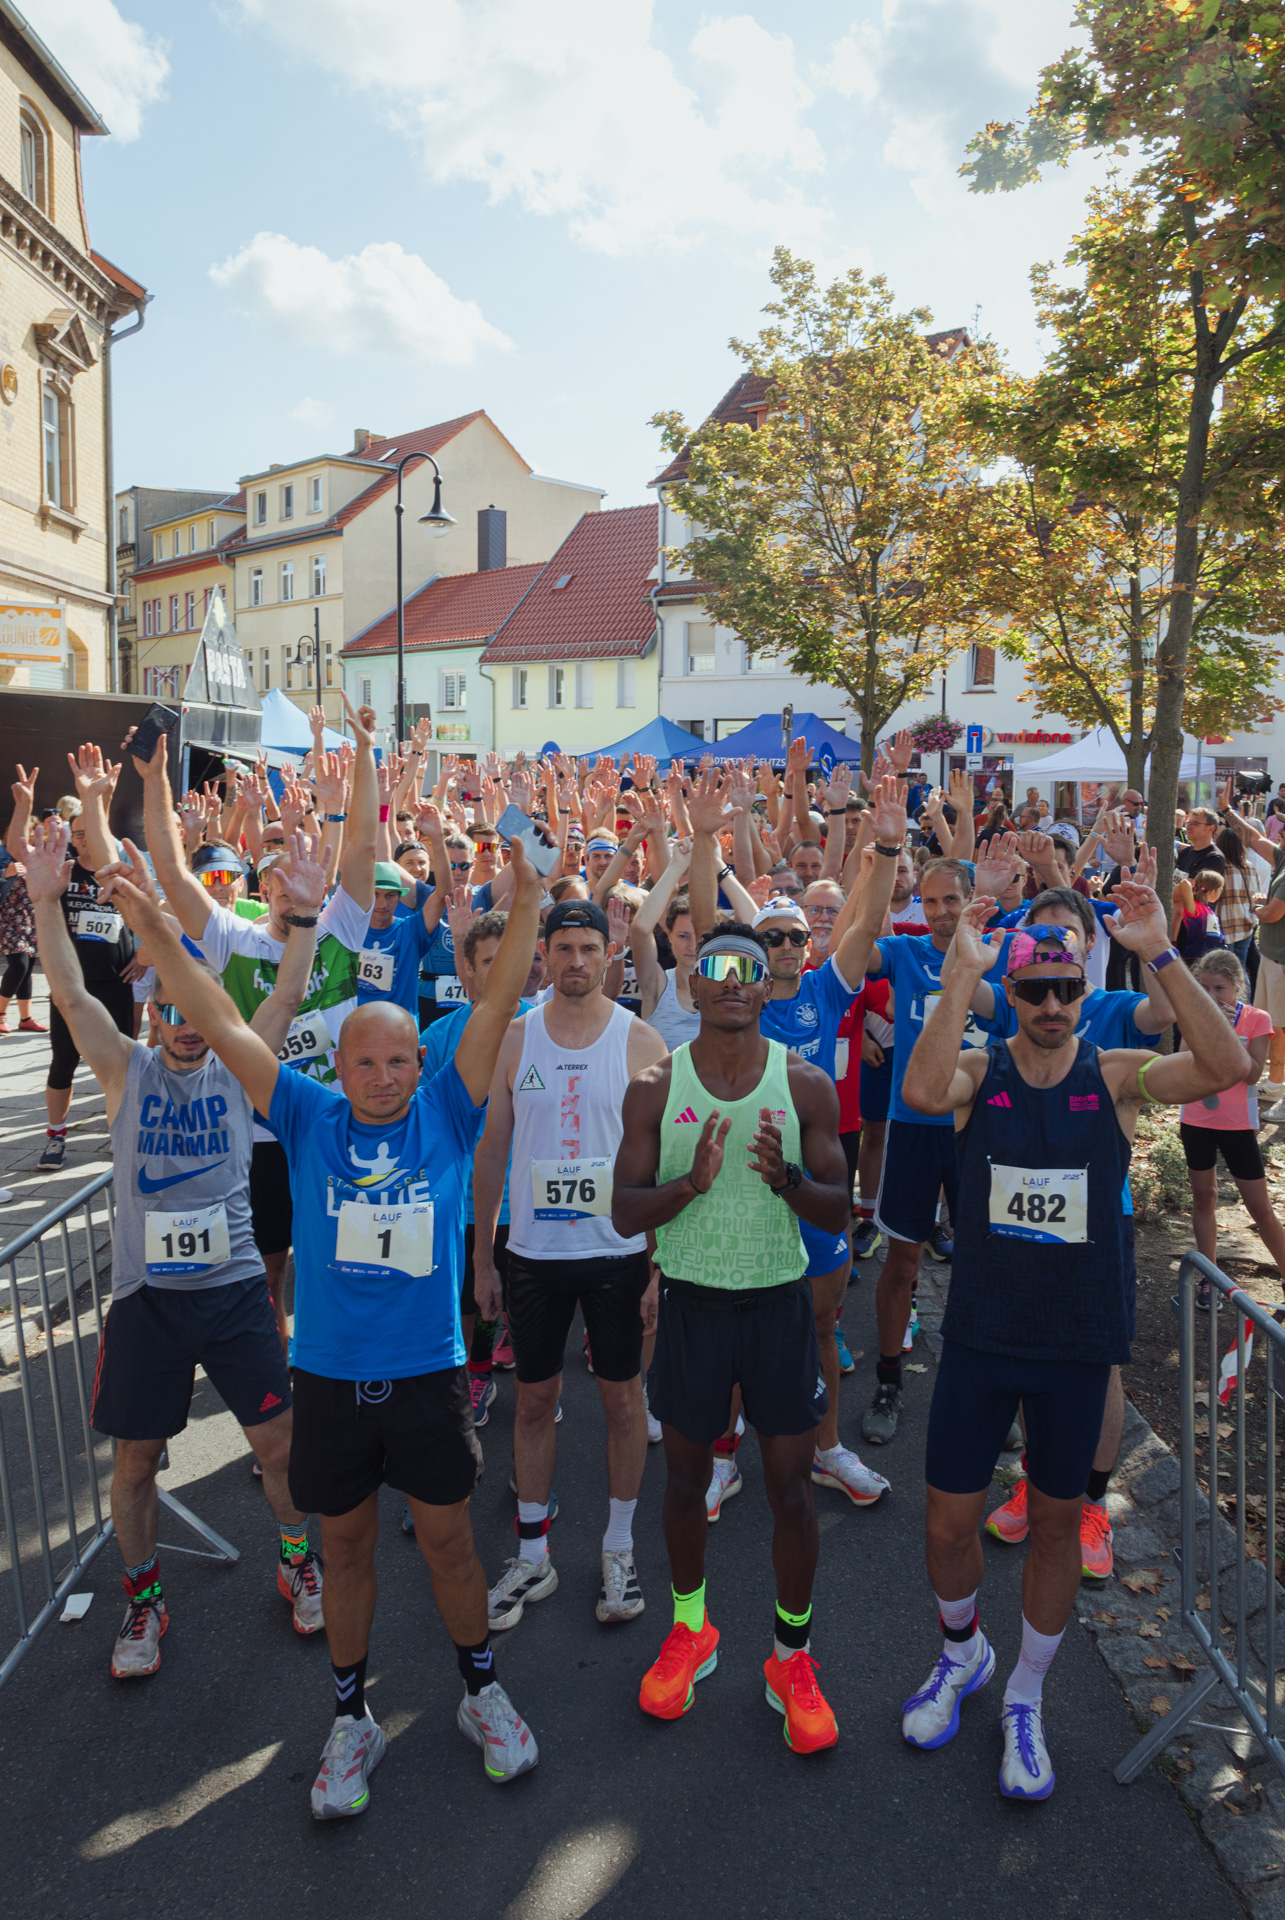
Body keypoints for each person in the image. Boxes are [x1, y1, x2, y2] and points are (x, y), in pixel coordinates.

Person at [100, 831, 545, 1811]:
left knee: (452, 1547)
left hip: (428, 1379)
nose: (385, 1077)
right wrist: (153, 928)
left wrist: (535, 898)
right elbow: (216, 1014)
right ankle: (350, 1722)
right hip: (333, 1385)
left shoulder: (446, 1113)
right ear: (335, 1066)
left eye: (398, 1059)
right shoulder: (302, 1114)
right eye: (366, 1062)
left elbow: (501, 999)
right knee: (340, 1551)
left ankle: (482, 1692)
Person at [896, 890, 1246, 1799]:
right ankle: (962, 1651)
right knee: (945, 1523)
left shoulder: (1118, 1074)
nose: (1051, 1008)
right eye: (1033, 992)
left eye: (1063, 990)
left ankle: (1024, 1695)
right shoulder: (979, 1072)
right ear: (1011, 998)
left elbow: (1228, 1062)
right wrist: (959, 976)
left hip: (1074, 1345)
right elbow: (922, 1091)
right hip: (980, 1337)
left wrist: (1162, 953)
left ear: (1081, 988)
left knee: (1054, 1526)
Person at [25, 819, 330, 1678]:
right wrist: (48, 900)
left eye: (198, 1015)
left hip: (233, 1290)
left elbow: (285, 1000)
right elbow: (68, 992)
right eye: (172, 1014)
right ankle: (144, 1603)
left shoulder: (240, 1067)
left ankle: (297, 1560)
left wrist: (302, 920)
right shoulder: (126, 1069)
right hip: (147, 1301)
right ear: (156, 1011)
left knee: (277, 1447)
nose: (188, 1030)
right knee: (134, 1463)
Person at [613, 923, 852, 1752]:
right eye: (713, 967)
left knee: (790, 1489)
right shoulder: (651, 1086)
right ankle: (692, 1629)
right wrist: (690, 1185)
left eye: (746, 969)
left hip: (777, 1307)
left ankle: (791, 1656)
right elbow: (623, 1211)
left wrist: (785, 1179)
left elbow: (837, 1209)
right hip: (691, 1309)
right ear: (691, 982)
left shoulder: (805, 1084)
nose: (730, 981)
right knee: (684, 1483)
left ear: (765, 985)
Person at [132, 704, 376, 1351]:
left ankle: (343, 1354)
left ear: (313, 885)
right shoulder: (232, 939)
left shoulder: (340, 930)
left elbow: (366, 848)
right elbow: (174, 873)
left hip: (332, 1123)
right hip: (262, 1134)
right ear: (261, 889)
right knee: (268, 1266)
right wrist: (153, 780)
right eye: (274, 880)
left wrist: (360, 760)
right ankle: (277, 1361)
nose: (285, 890)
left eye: (298, 880)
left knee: (344, 1256)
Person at [691, 774, 902, 1506]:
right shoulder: (731, 996)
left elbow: (867, 925)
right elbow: (697, 914)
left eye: (794, 937)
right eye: (770, 935)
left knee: (818, 1321)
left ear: (808, 947)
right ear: (754, 948)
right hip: (740, 1186)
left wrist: (885, 846)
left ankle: (826, 1448)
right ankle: (725, 1453)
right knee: (733, 1331)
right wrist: (699, 841)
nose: (784, 945)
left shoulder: (823, 991)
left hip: (813, 1182)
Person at [473, 899, 669, 1632]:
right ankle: (532, 1552)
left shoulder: (640, 1039)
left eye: (589, 948)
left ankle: (618, 1548)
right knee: (531, 1400)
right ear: (544, 956)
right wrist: (481, 1258)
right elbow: (492, 1149)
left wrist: (656, 1268)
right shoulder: (514, 1038)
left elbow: (658, 1162)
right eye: (564, 949)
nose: (576, 962)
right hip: (532, 1254)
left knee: (623, 1403)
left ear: (607, 954)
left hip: (616, 1254)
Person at [860, 857, 1009, 1444]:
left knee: (986, 1260)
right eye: (931, 901)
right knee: (901, 1262)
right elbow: (860, 939)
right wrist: (882, 855)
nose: (942, 912)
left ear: (971, 897)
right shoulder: (904, 954)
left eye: (953, 899)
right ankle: (889, 1378)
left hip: (982, 1128)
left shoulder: (1000, 953)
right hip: (915, 1124)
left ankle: (989, 1387)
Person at [7, 757, 133, 1170]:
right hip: (71, 987)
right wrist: (24, 806)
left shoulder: (120, 870)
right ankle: (56, 1135)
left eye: (86, 833)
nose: (81, 840)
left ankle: (120, 1130)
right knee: (64, 1060)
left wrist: (146, 957)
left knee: (120, 1061)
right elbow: (17, 849)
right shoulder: (61, 869)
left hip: (118, 982)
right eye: (75, 834)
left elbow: (149, 916)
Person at [1179, 948, 1285, 1293]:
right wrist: (1205, 1030)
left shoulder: (1257, 1019)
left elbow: (1253, 1074)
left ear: (1238, 985)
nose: (1211, 996)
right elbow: (1181, 1065)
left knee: (1259, 1207)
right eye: (1204, 988)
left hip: (1237, 1123)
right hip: (1196, 1118)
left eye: (1219, 989)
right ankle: (1210, 1281)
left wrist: (1225, 1034)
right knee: (1204, 1195)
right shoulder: (1193, 1015)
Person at [0, 846, 43, 1032]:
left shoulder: (37, 856)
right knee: (20, 965)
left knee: (28, 968)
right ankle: (1, 1014)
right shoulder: (3, 854)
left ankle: (26, 1018)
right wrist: (4, 873)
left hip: (30, 919)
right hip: (7, 920)